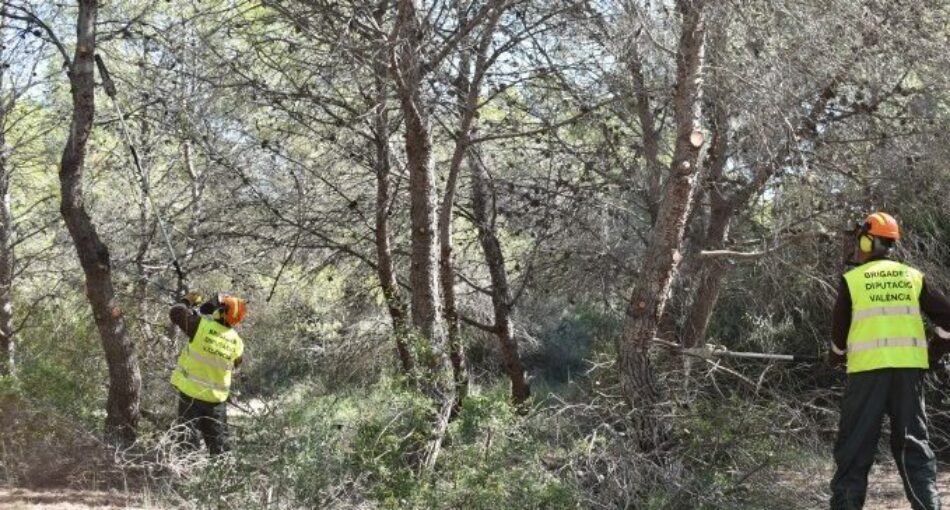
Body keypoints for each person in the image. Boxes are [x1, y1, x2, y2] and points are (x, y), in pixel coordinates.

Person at [829, 212, 950, 510]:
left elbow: (839, 337)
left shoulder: (853, 280)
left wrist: (834, 358)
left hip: (867, 375)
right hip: (908, 375)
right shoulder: (913, 277)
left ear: (870, 240)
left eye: (860, 240)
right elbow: (948, 320)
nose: (857, 246)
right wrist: (931, 356)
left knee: (855, 449)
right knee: (914, 448)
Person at [169, 291, 247, 455]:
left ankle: (187, 473)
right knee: (220, 447)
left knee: (187, 441)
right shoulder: (237, 343)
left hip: (190, 395)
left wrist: (188, 301)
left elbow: (176, 312)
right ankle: (223, 477)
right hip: (216, 401)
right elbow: (236, 365)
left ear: (221, 312)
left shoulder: (200, 326)